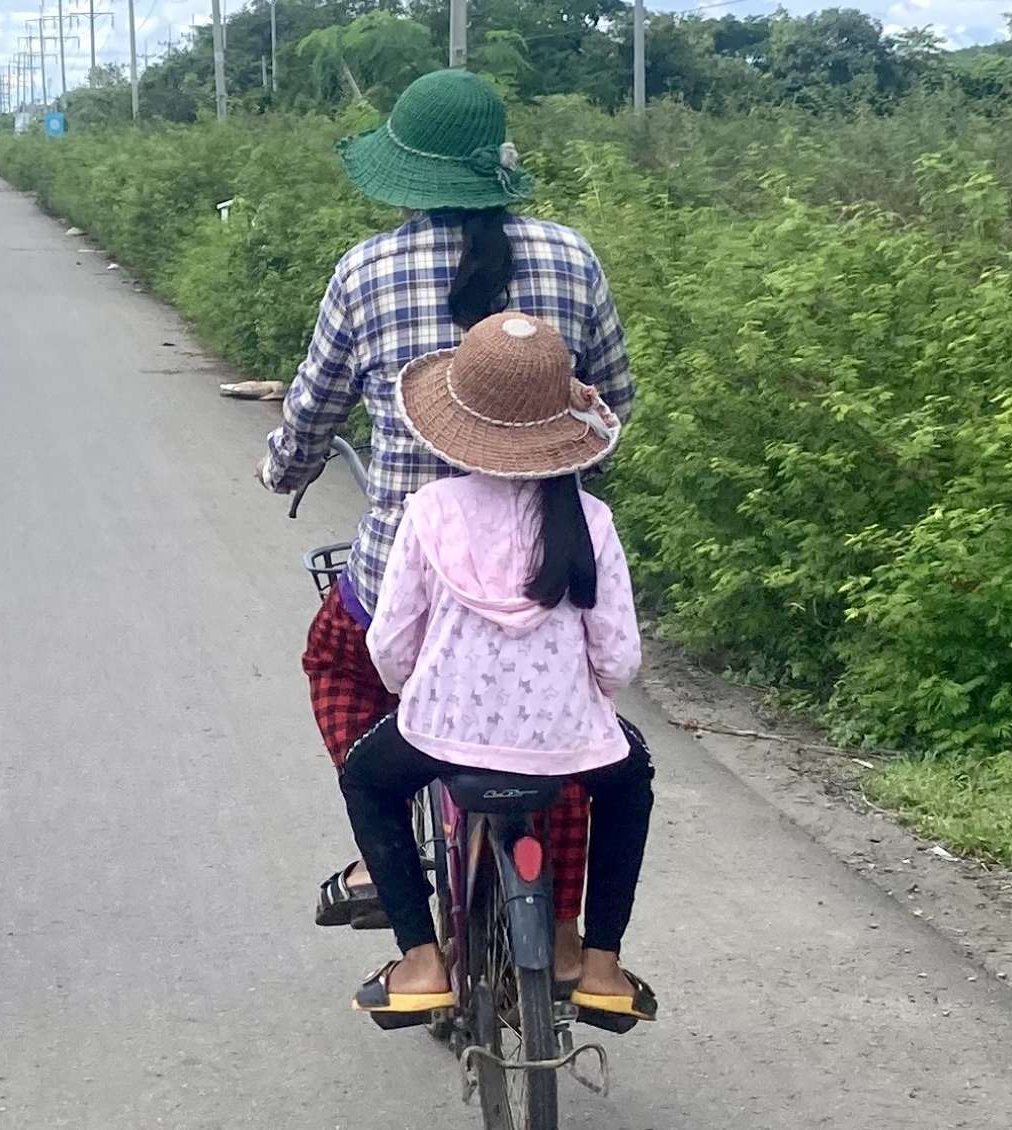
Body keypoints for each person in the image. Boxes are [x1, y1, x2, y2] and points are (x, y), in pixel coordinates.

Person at [259, 68, 634, 990]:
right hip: (554, 567)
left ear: (404, 174)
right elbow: (613, 402)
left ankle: (391, 878)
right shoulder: (573, 259)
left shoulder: (366, 270)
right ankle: (570, 925)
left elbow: (313, 411)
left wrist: (288, 466)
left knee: (340, 660)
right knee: (576, 727)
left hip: (398, 568)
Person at [341, 311, 658, 1032]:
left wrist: (409, 690)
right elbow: (617, 658)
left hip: (442, 732)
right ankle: (602, 964)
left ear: (458, 423)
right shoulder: (591, 520)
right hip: (566, 740)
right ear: (562, 425)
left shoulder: (431, 510)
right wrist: (581, 707)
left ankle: (421, 961)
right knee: (629, 783)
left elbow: (392, 642)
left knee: (365, 779)